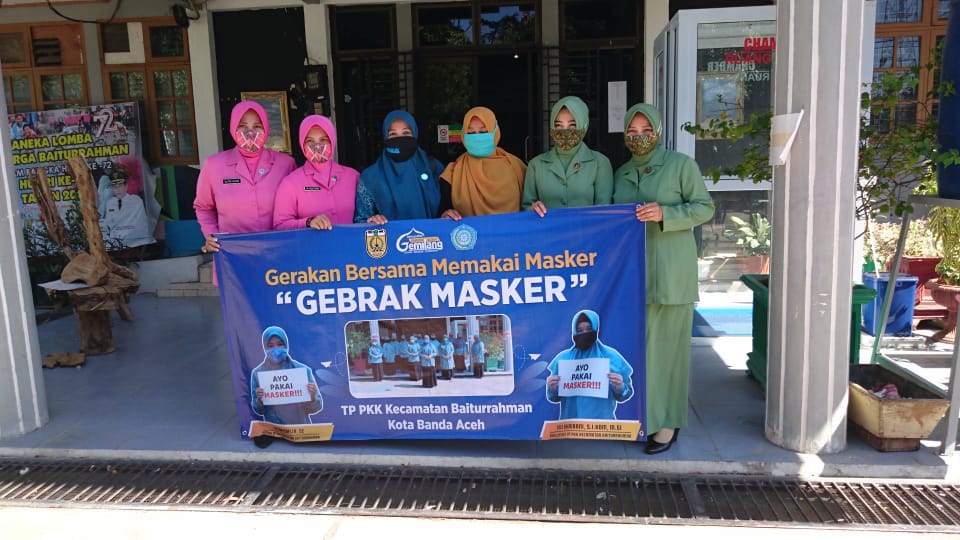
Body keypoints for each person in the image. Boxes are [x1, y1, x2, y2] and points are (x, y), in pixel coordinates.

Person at [612, 103, 715, 455]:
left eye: (646, 131)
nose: (639, 137)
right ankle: (645, 417)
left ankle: (668, 423)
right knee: (642, 354)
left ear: (657, 132)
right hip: (633, 277)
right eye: (632, 131)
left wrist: (665, 213)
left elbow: (704, 207)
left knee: (669, 355)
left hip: (671, 274)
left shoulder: (680, 165)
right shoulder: (621, 173)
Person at [194, 100, 296, 255]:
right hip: (233, 255)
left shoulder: (285, 164)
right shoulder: (213, 165)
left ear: (266, 128)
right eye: (243, 126)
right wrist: (211, 235)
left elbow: (297, 207)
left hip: (277, 253)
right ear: (233, 127)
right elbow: (203, 207)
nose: (250, 132)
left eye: (257, 126)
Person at [354, 110, 450, 224]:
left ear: (415, 134)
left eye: (406, 133)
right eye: (393, 134)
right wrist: (372, 221)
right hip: (390, 236)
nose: (400, 139)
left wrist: (447, 214)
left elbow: (447, 210)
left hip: (431, 235)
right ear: (385, 137)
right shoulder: (370, 177)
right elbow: (360, 221)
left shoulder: (433, 168)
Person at [522, 96, 613, 216]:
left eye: (572, 125)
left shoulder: (600, 163)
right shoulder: (536, 165)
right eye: (558, 125)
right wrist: (532, 209)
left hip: (587, 228)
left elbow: (604, 212)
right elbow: (527, 207)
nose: (565, 131)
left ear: (584, 126)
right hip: (549, 228)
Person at [274, 115, 360, 230]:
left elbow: (365, 215)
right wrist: (308, 222)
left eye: (323, 140)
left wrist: (374, 219)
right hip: (310, 243)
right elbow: (280, 225)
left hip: (349, 241)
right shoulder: (291, 183)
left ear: (332, 141)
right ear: (302, 144)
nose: (317, 146)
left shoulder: (353, 177)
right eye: (310, 141)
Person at [545, 310, 634, 421]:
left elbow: (625, 394)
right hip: (571, 427)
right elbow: (553, 398)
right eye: (579, 330)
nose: (584, 333)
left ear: (596, 329)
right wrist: (552, 388)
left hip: (602, 427)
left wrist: (620, 387)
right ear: (573, 332)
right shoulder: (562, 359)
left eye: (589, 329)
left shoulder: (612, 357)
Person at [439, 106, 526, 218]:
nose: (477, 137)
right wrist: (445, 215)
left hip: (513, 229)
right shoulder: (453, 172)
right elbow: (443, 211)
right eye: (471, 133)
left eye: (483, 131)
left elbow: (530, 206)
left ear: (496, 132)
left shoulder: (516, 167)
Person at [249, 326, 323, 447]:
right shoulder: (258, 374)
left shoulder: (302, 370)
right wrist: (260, 400)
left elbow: (316, 408)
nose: (276, 349)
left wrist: (312, 396)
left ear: (286, 345)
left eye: (280, 344)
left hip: (300, 426)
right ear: (265, 347)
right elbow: (259, 411)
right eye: (270, 346)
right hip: (274, 427)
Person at [100, 172, 152, 248]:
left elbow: (140, 225)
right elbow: (109, 222)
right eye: (115, 187)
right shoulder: (110, 203)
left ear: (126, 187)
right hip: (116, 239)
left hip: (134, 238)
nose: (118, 189)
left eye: (120, 186)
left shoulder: (136, 200)